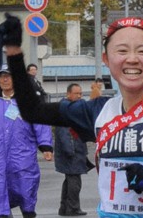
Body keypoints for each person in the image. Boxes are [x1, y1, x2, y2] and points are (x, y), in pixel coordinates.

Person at [0, 14, 143, 218]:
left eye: (142, 51)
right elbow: (32, 110)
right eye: (121, 51)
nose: (132, 59)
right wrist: (14, 52)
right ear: (106, 59)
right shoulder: (98, 110)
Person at [0, 64, 54, 218]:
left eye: (9, 76)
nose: (5, 79)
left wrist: (45, 146)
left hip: (22, 158)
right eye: (1, 76)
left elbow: (41, 123)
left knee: (26, 194)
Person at [55, 83, 88, 216]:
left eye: (81, 93)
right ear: (68, 94)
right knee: (75, 181)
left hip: (74, 150)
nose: (79, 96)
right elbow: (64, 133)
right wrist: (70, 150)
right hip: (72, 151)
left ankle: (64, 208)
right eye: (76, 94)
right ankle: (73, 208)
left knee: (69, 180)